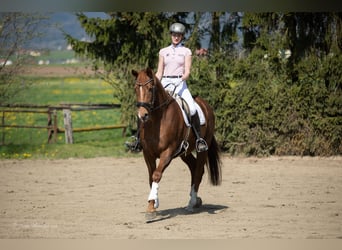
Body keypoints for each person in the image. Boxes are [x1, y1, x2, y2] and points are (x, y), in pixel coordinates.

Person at [125, 22, 208, 153]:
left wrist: (179, 80)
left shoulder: (186, 51)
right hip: (164, 82)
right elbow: (159, 71)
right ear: (171, 35)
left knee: (192, 108)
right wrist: (156, 81)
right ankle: (138, 139)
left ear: (182, 36)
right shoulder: (163, 51)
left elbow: (187, 72)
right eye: (174, 35)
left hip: (180, 83)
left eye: (179, 35)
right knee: (145, 107)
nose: (176, 37)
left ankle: (199, 140)